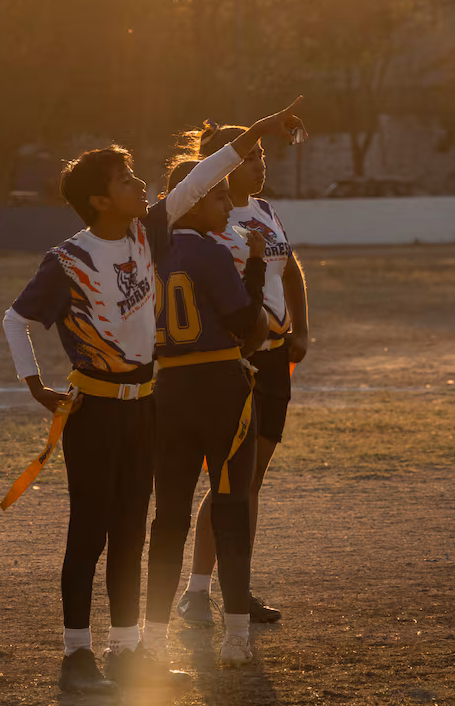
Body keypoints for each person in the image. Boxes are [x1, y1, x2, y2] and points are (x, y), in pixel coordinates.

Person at [2, 98, 305, 694]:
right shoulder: (74, 257)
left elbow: (199, 175)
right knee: (95, 529)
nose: (141, 185)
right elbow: (16, 320)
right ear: (99, 200)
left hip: (150, 401)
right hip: (124, 402)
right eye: (127, 179)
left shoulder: (153, 234)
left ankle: (133, 647)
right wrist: (37, 386)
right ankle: (83, 652)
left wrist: (259, 132)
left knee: (138, 529)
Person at [175, 122, 309, 627]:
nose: (261, 164)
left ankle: (237, 586)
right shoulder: (204, 223)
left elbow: (290, 267)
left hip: (274, 357)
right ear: (223, 164)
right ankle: (198, 589)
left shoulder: (266, 213)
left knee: (251, 480)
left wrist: (302, 329)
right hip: (232, 359)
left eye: (262, 155)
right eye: (250, 156)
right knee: (229, 479)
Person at [141, 156, 271, 668]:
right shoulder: (212, 253)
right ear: (192, 203)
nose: (226, 204)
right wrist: (257, 268)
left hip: (169, 388)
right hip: (221, 386)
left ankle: (153, 638)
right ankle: (235, 636)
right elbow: (248, 326)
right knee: (232, 509)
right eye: (218, 197)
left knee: (168, 516)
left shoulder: (146, 254)